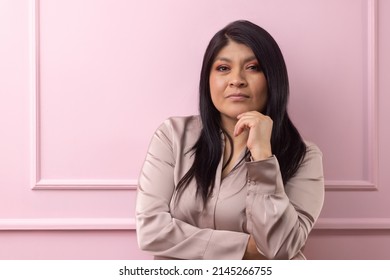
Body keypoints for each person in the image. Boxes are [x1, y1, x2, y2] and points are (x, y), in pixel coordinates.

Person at [136, 20, 324, 260]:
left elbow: (281, 248)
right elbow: (151, 232)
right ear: (208, 78)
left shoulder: (303, 156)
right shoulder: (173, 136)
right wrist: (247, 247)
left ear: (272, 78)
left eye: (253, 67)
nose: (237, 79)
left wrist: (263, 159)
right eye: (223, 68)